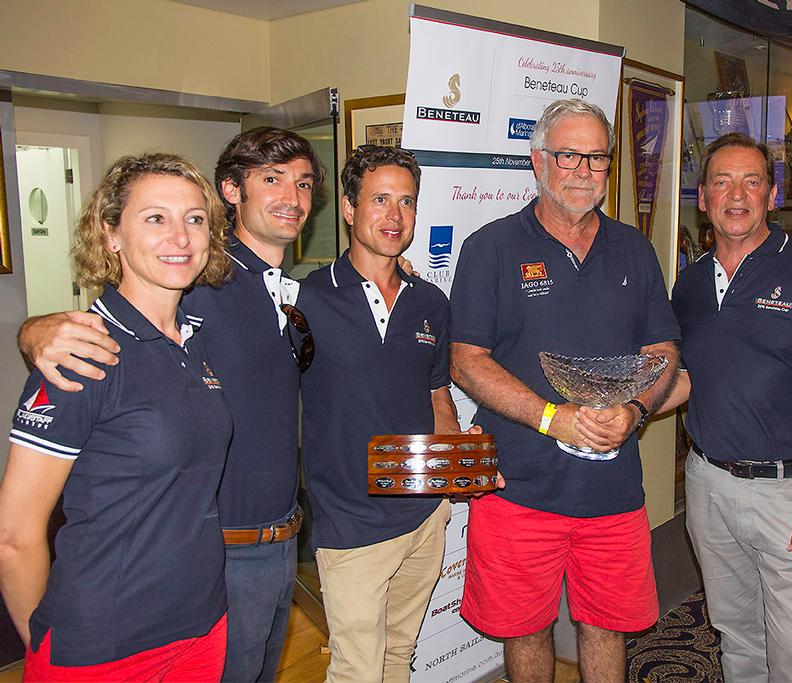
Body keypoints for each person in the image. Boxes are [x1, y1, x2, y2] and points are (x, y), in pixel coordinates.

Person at [17, 127, 327, 682]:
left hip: (236, 573)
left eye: (304, 184)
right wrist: (35, 331)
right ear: (232, 192)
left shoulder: (257, 300)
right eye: (273, 179)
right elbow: (15, 533)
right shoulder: (195, 288)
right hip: (197, 568)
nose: (292, 197)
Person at [448, 98, 680, 682]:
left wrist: (634, 409)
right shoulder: (491, 248)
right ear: (538, 161)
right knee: (525, 629)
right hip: (518, 489)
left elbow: (663, 351)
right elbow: (466, 362)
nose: (583, 170)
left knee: (605, 627)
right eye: (568, 155)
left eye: (596, 157)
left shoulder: (634, 249)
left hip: (613, 491)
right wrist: (552, 417)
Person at [0, 153, 233, 681]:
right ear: (111, 235)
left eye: (194, 218)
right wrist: (43, 642)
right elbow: (13, 534)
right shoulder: (83, 351)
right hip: (106, 644)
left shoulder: (192, 339)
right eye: (155, 218)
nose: (180, 236)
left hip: (201, 624)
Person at [658, 132, 792, 681]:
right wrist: (630, 408)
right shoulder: (689, 284)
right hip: (709, 487)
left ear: (771, 195)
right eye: (722, 182)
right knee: (738, 639)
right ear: (701, 197)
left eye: (751, 181)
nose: (737, 194)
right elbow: (687, 380)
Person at [296, 144, 461, 683]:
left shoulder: (430, 302)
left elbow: (438, 395)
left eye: (406, 202)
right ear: (348, 208)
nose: (394, 216)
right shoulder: (304, 300)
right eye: (380, 200)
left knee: (397, 654)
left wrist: (456, 471)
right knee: (357, 671)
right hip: (351, 522)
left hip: (423, 512)